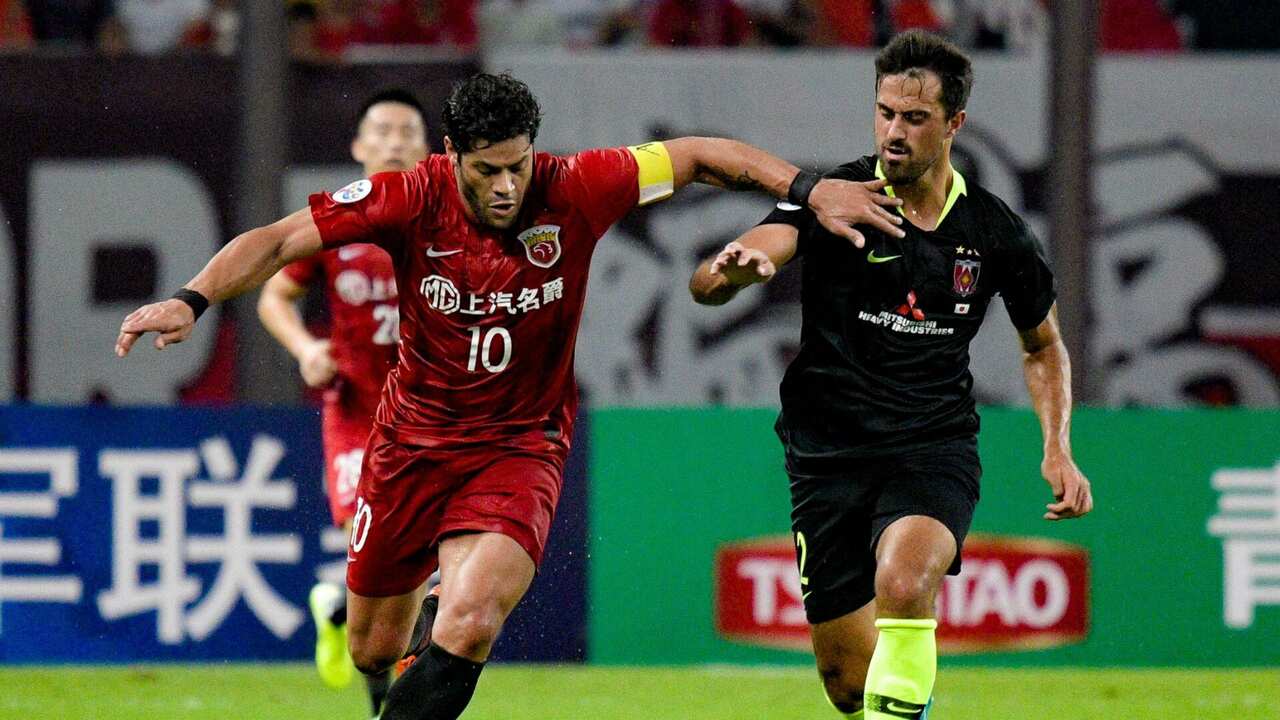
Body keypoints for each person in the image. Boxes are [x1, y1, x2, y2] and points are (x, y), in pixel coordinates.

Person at [114, 71, 904, 720]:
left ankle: (442, 620)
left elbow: (698, 154)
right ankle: (406, 625)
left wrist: (810, 188)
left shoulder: (580, 185)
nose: (505, 185)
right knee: (370, 650)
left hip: (520, 447)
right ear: (451, 154)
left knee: (472, 618)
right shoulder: (406, 196)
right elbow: (280, 240)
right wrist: (190, 299)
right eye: (487, 168)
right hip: (410, 447)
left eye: (517, 165)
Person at [689, 31, 1093, 720]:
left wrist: (1057, 444)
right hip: (827, 456)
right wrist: (734, 269)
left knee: (906, 583)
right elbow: (724, 272)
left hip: (931, 448)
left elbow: (1042, 344)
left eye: (914, 118)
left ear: (954, 123)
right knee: (849, 683)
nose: (893, 132)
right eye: (884, 113)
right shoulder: (834, 198)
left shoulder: (994, 233)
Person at [255, 88, 429, 717]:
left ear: (429, 147)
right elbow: (273, 296)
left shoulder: (446, 219)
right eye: (380, 130)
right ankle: (366, 656)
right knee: (381, 556)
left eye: (407, 130)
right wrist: (305, 347)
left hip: (433, 420)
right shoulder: (337, 223)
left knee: (415, 573)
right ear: (358, 146)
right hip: (359, 416)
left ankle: (341, 616)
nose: (393, 140)